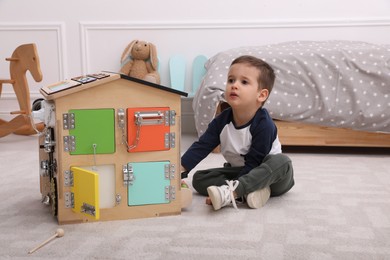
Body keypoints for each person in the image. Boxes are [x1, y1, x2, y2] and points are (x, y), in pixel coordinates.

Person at [181, 55, 294, 211]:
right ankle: (251, 191)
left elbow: (255, 161)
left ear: (261, 95)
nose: (234, 86)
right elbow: (202, 146)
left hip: (271, 176)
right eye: (231, 80)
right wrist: (180, 169)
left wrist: (235, 187)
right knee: (200, 179)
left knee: (283, 162)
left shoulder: (263, 124)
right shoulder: (222, 121)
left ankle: (233, 193)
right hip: (242, 172)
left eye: (244, 82)